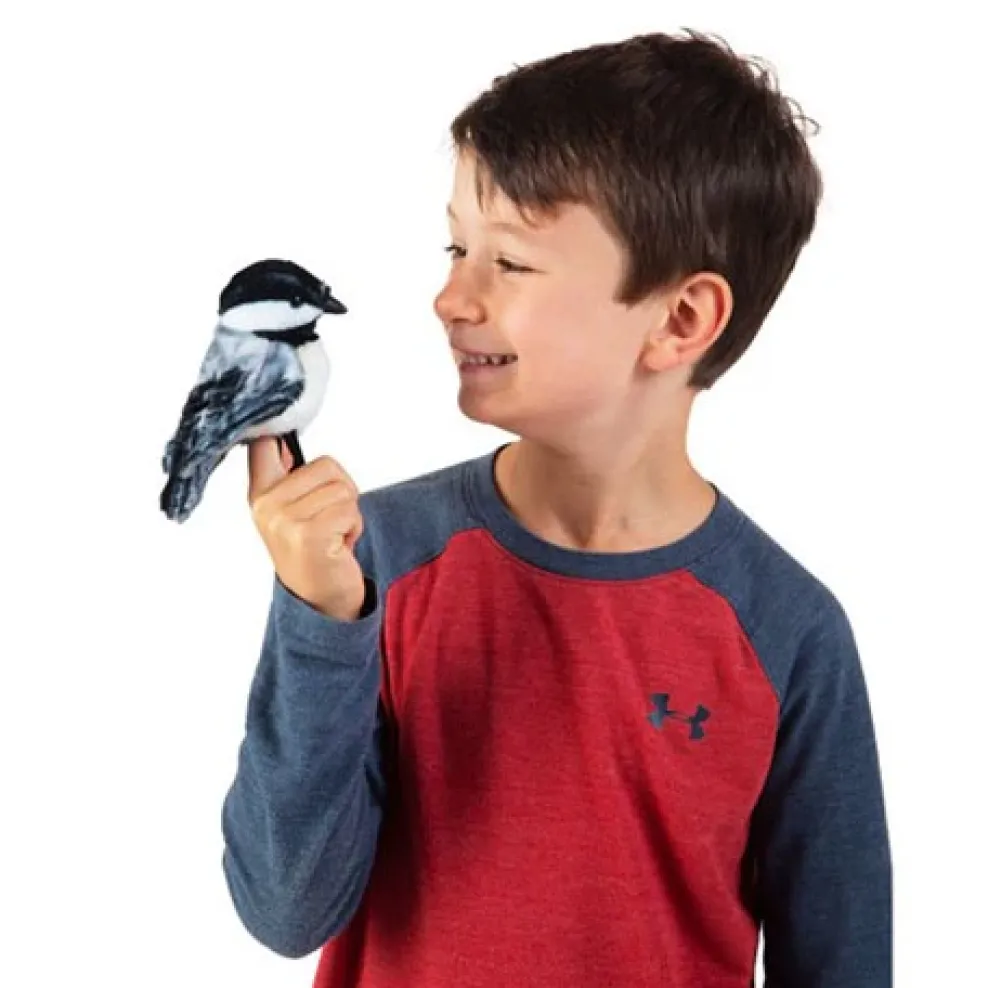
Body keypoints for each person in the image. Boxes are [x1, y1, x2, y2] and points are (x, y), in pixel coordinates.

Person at [220, 29, 892, 988]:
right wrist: (323, 620)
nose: (450, 297)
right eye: (457, 246)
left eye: (511, 262)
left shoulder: (788, 629)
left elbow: (842, 961)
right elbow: (286, 910)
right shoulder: (369, 563)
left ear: (680, 319)